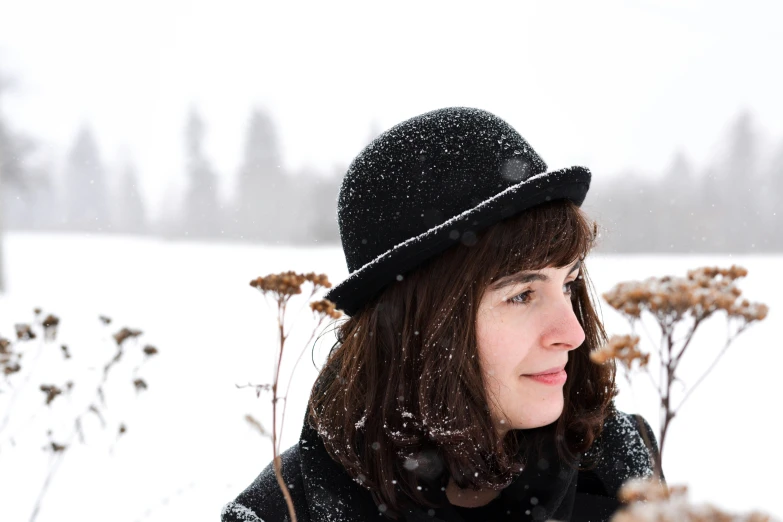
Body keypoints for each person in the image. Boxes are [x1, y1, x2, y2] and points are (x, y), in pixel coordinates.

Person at [221, 107, 662, 522]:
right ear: (416, 324)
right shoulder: (283, 511)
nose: (573, 334)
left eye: (568, 285)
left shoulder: (621, 470)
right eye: (523, 295)